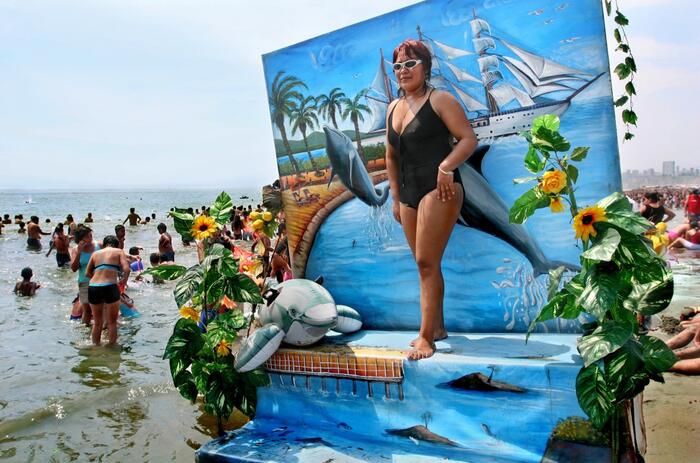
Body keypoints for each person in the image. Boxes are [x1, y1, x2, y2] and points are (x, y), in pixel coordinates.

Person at [385, 39, 477, 360]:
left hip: (440, 189)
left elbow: (468, 139)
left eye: (410, 64)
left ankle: (426, 338)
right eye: (398, 66)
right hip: (409, 194)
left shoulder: (441, 100)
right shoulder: (393, 108)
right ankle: (437, 326)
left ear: (425, 66)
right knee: (425, 265)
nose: (403, 71)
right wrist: (396, 199)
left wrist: (446, 166)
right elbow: (391, 155)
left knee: (426, 262)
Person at [85, 235, 129, 346]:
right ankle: (112, 349)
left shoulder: (96, 253)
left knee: (97, 322)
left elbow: (87, 273)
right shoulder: (118, 251)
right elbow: (127, 269)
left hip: (94, 286)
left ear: (104, 245)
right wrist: (123, 281)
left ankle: (95, 347)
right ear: (116, 244)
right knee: (112, 323)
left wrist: (97, 280)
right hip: (110, 286)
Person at [71, 225, 100, 325]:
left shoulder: (98, 245)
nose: (90, 238)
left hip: (99, 281)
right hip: (85, 282)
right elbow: (74, 268)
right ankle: (85, 332)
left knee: (102, 308)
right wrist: (79, 252)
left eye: (91, 235)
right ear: (80, 239)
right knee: (87, 310)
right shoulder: (75, 250)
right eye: (87, 236)